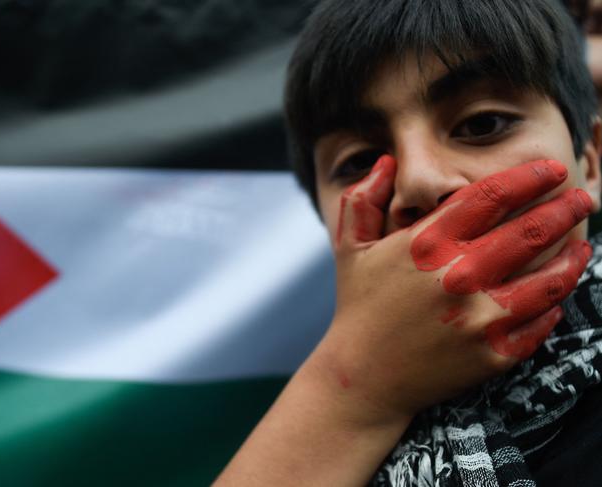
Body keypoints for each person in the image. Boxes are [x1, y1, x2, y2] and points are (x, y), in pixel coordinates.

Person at [216, 1, 602, 485]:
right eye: (360, 163)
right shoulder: (323, 420)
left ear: (590, 161)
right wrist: (356, 388)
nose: (419, 181)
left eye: (482, 124)